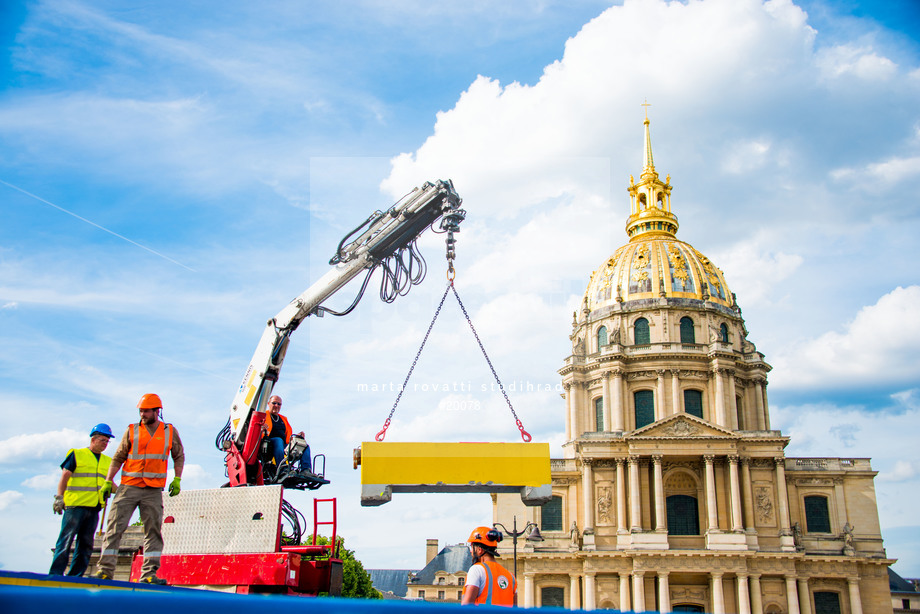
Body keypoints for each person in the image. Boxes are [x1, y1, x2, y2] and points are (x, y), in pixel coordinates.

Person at [92, 393, 184, 584]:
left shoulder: (169, 431)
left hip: (153, 490)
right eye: (141, 411)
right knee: (114, 528)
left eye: (146, 411)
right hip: (129, 487)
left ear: (157, 411)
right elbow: (118, 456)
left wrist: (177, 478)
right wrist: (109, 480)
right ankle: (105, 571)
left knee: (153, 532)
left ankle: (149, 574)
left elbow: (179, 455)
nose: (142, 414)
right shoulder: (132, 430)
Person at [48, 424, 114, 576]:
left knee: (86, 544)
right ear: (93, 439)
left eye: (107, 441)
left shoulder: (107, 461)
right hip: (75, 506)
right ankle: (56, 574)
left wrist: (126, 490)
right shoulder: (77, 454)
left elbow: (109, 483)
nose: (105, 444)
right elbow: (65, 475)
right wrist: (59, 497)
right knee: (66, 540)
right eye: (103, 440)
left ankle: (76, 576)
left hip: (94, 507)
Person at [461, 526, 516, 607]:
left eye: (472, 547)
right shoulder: (511, 577)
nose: (470, 551)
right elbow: (515, 610)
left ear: (480, 550)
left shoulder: (477, 570)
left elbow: (466, 607)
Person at [261, 395, 312, 478]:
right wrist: (261, 428)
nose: (276, 405)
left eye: (279, 404)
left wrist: (297, 437)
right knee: (278, 440)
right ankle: (282, 468)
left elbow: (288, 437)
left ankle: (306, 470)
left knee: (304, 446)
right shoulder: (263, 416)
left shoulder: (283, 419)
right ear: (268, 403)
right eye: (274, 403)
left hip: (283, 445)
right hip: (268, 444)